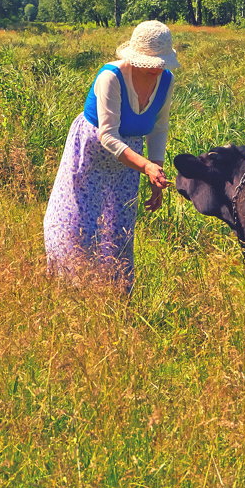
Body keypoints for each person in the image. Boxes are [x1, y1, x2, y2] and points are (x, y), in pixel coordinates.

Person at [43, 20, 179, 290]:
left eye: (160, 63)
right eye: (150, 62)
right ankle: (69, 286)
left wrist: (156, 171)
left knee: (117, 225)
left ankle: (112, 291)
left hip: (129, 161)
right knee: (77, 220)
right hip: (91, 153)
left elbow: (159, 128)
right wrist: (146, 167)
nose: (156, 68)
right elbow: (107, 135)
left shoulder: (166, 81)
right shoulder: (111, 77)